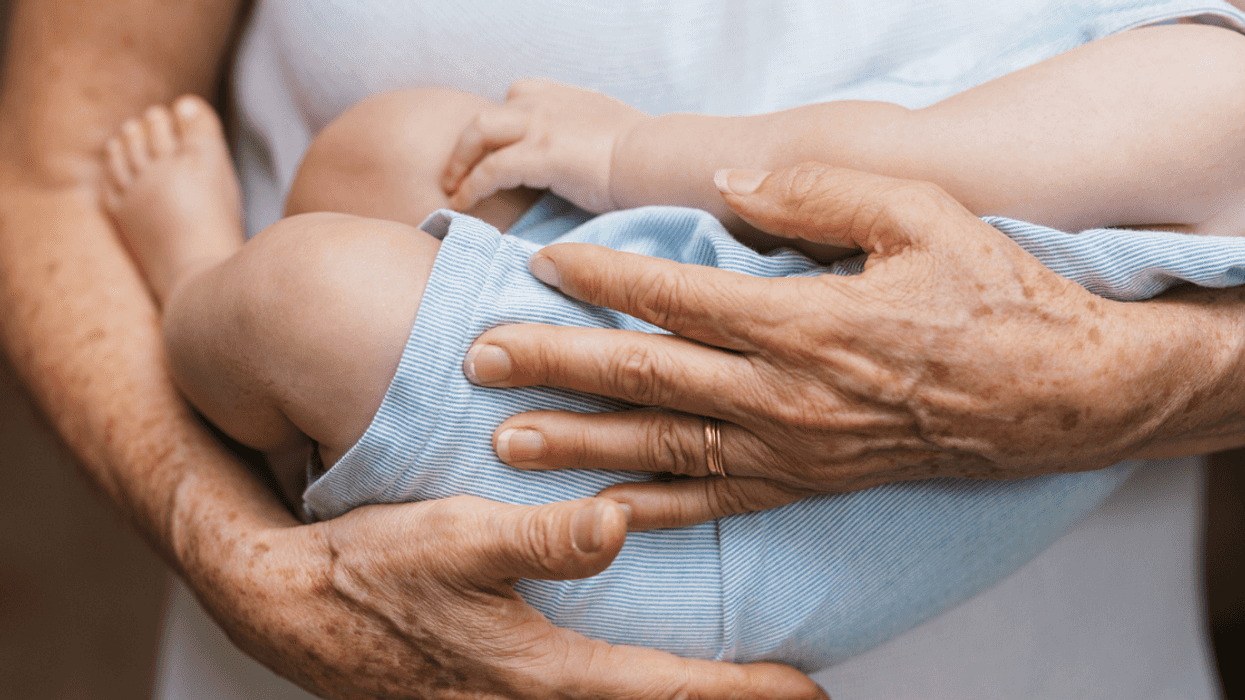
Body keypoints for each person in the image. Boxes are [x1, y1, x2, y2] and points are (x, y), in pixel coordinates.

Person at [0, 0, 1242, 698]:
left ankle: (196, 284)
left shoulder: (1211, 88)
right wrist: (236, 559)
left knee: (299, 295)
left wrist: (615, 152)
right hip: (683, 328)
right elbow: (47, 155)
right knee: (384, 158)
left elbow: (876, 166)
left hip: (687, 531)